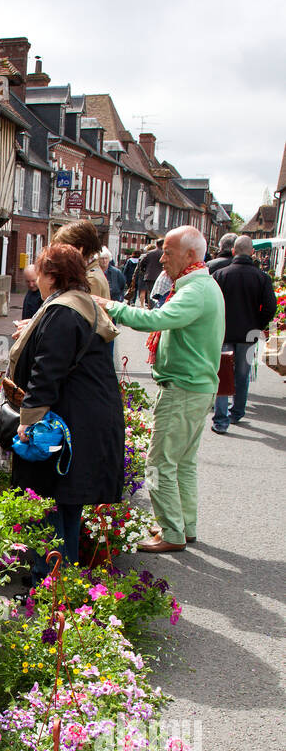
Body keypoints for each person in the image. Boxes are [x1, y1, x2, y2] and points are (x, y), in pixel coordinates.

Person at [95, 225, 224, 552]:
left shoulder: (194, 290)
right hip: (196, 387)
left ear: (190, 255)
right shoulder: (201, 285)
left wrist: (111, 306)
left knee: (158, 462)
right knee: (182, 463)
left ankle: (171, 532)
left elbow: (155, 321)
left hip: (183, 388)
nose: (161, 258)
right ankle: (184, 525)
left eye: (168, 252)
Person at [9, 241, 124, 573]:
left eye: (40, 272)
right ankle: (65, 583)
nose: (37, 281)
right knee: (66, 504)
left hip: (66, 421)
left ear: (51, 275)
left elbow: (47, 372)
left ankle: (48, 588)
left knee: (48, 505)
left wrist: (27, 421)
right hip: (84, 418)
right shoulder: (80, 303)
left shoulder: (63, 310)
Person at [211, 233, 277, 432]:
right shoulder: (262, 277)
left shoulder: (220, 275)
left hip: (224, 332)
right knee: (242, 374)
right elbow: (270, 307)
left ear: (233, 251)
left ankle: (221, 420)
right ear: (253, 252)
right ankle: (237, 412)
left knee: (222, 374)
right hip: (249, 334)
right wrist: (258, 323)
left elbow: (212, 304)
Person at [53, 220, 111, 302]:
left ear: (80, 249)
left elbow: (85, 313)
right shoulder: (88, 272)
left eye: (64, 249)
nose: (60, 254)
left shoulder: (91, 280)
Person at [134, 238, 165, 306]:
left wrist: (144, 270)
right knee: (160, 293)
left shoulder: (150, 253)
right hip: (161, 276)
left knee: (150, 293)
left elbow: (142, 263)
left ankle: (150, 306)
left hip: (149, 276)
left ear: (156, 244)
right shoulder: (164, 254)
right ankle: (156, 306)